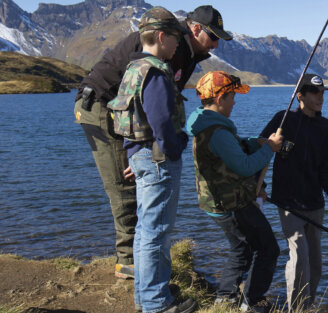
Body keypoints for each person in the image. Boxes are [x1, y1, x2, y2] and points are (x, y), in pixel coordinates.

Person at [72, 4, 232, 280]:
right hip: (100, 106)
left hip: (124, 111)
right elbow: (152, 106)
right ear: (195, 29)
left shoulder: (187, 50)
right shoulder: (171, 44)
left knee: (135, 175)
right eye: (213, 36)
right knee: (123, 183)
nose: (216, 44)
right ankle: (128, 264)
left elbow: (159, 105)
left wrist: (142, 152)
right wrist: (141, 152)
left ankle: (142, 262)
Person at [105, 7, 194, 313]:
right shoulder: (155, 72)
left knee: (145, 230)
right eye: (175, 39)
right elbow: (162, 125)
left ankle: (146, 296)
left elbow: (132, 122)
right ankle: (157, 304)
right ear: (160, 36)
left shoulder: (133, 68)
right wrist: (177, 145)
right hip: (158, 161)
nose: (178, 45)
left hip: (141, 157)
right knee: (157, 231)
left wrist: (134, 154)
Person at [187, 71, 283, 313]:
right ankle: (250, 302)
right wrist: (270, 148)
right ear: (220, 99)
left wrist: (254, 143)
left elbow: (234, 147)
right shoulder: (217, 132)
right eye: (232, 97)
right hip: (231, 205)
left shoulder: (205, 123)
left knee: (242, 249)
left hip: (219, 202)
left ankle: (226, 299)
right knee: (268, 249)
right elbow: (245, 165)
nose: (235, 102)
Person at [260, 74, 328, 311]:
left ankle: (306, 305)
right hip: (288, 202)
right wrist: (260, 185)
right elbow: (260, 150)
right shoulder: (283, 119)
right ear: (300, 96)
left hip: (315, 204)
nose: (320, 97)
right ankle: (296, 308)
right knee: (298, 255)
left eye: (322, 93)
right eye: (314, 92)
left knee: (315, 263)